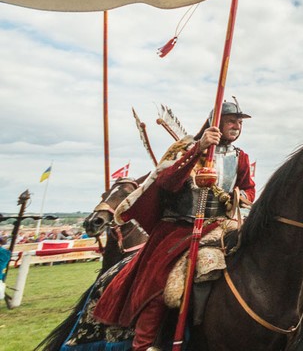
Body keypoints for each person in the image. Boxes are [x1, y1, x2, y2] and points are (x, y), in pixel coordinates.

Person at [94, 100, 256, 351]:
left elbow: (248, 188)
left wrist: (241, 196)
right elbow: (167, 183)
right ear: (216, 122)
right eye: (232, 121)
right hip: (178, 229)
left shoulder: (240, 157)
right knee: (158, 284)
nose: (237, 126)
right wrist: (198, 150)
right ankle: (144, 343)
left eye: (240, 122)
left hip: (221, 225)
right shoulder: (185, 148)